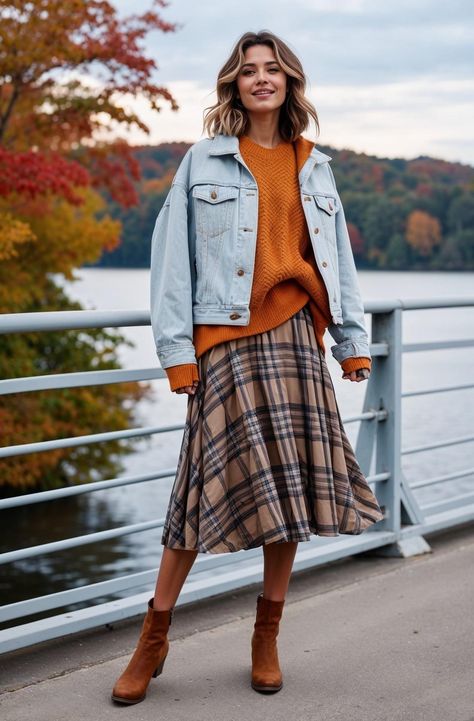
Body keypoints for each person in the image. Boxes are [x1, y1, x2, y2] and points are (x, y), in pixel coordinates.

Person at [111, 29, 384, 705]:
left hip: (296, 340)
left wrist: (351, 341)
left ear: (290, 82)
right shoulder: (203, 162)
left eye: (274, 70)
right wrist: (178, 356)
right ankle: (153, 637)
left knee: (286, 495)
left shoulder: (314, 166)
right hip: (226, 346)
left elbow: (337, 265)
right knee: (194, 496)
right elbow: (171, 263)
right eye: (249, 70)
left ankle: (267, 635)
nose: (261, 79)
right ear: (234, 84)